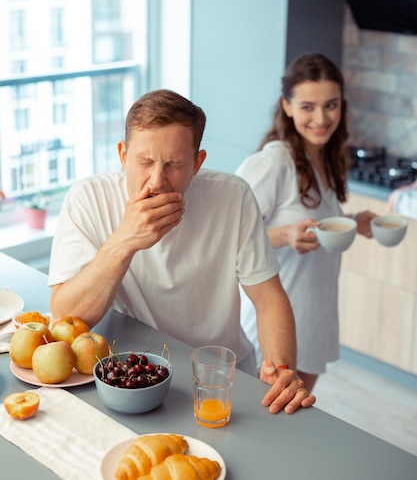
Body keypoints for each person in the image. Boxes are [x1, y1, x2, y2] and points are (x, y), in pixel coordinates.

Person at [48, 88, 315, 414]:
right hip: (133, 375)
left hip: (222, 375)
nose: (157, 181)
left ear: (197, 163)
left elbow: (269, 298)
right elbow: (66, 315)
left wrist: (282, 371)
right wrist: (125, 241)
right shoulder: (88, 198)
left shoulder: (233, 197)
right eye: (144, 162)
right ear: (122, 155)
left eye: (174, 164)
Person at [236, 53, 376, 393]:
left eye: (331, 105)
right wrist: (285, 236)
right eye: (308, 107)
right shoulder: (275, 162)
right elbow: (228, 235)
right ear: (287, 106)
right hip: (273, 326)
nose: (321, 118)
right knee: (264, 421)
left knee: (290, 421)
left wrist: (353, 222)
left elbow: (315, 222)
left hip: (315, 314)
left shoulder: (326, 157)